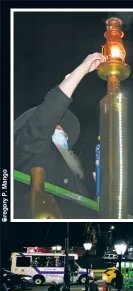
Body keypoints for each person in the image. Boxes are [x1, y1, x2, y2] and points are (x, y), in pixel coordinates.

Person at [13, 53, 106, 219]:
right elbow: (46, 115)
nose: (61, 131)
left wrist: (101, 196)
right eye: (55, 127)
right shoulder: (28, 148)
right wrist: (80, 71)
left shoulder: (76, 177)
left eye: (63, 131)